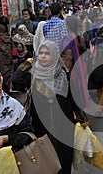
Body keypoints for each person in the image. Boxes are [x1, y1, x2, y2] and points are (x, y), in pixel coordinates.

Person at [31, 40, 75, 174]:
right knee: (46, 162)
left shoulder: (63, 75)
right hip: (42, 128)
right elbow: (16, 80)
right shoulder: (34, 74)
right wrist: (27, 63)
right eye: (41, 53)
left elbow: (73, 99)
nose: (43, 56)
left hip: (63, 126)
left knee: (64, 159)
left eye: (47, 53)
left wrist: (82, 120)